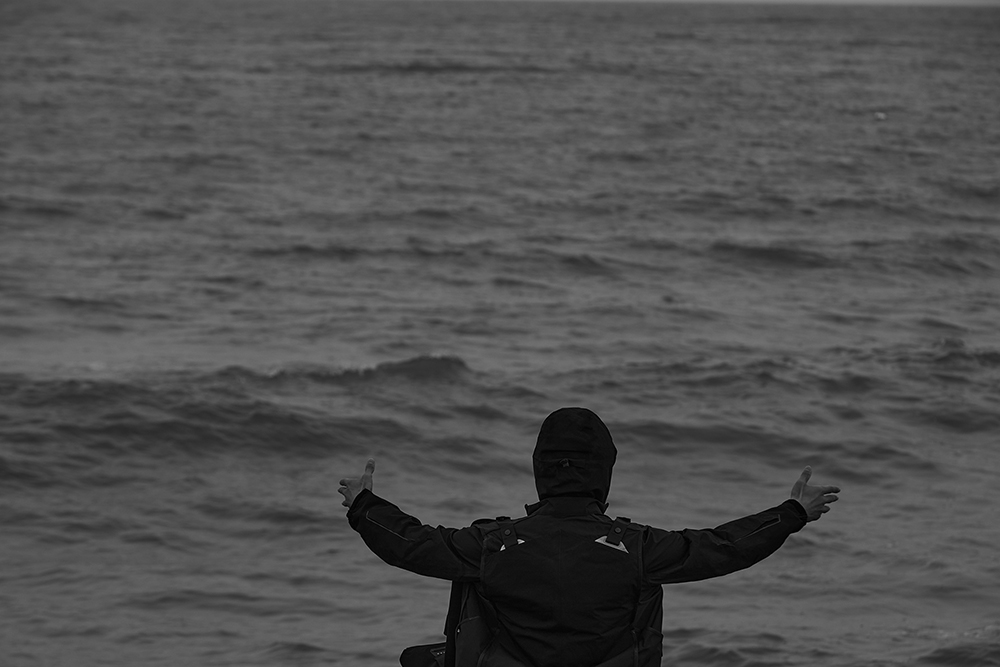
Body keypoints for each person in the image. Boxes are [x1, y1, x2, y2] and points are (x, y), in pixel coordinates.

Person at [339, 407, 839, 667]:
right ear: (604, 472)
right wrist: (791, 513)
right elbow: (723, 548)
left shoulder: (494, 544)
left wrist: (364, 505)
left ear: (540, 470)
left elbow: (413, 544)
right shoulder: (637, 548)